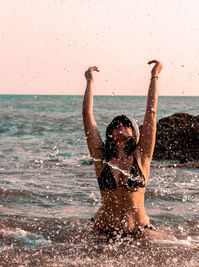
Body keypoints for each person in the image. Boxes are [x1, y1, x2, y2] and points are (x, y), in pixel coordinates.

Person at [82, 60, 162, 239]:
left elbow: (151, 112)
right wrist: (89, 81)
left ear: (134, 132)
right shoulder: (101, 157)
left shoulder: (141, 156)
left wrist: (154, 75)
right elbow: (87, 116)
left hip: (140, 230)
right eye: (115, 125)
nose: (119, 125)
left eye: (125, 124)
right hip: (101, 229)